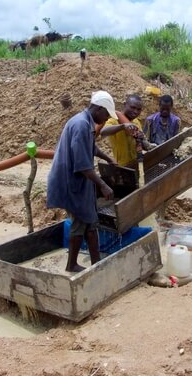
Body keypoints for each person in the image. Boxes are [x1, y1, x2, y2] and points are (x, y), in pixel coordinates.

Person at [47, 90, 117, 272]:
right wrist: (103, 185)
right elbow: (82, 164)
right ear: (99, 108)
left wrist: (108, 158)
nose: (106, 119)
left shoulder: (85, 122)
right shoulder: (80, 125)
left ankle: (96, 263)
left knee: (91, 221)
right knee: (81, 222)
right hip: (71, 181)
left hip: (79, 180)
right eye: (106, 114)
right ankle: (72, 265)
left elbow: (91, 147)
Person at [100, 94, 152, 167]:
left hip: (136, 163)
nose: (135, 112)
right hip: (122, 166)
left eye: (139, 109)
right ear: (124, 105)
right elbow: (103, 131)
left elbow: (142, 145)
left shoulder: (136, 122)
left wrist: (141, 139)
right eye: (133, 107)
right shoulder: (114, 121)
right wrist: (122, 126)